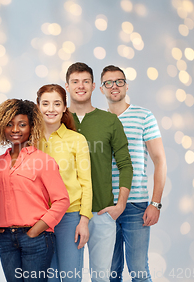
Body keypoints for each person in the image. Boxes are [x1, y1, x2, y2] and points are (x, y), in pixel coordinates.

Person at [65, 62, 133, 282]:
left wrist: (120, 205)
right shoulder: (57, 120)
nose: (81, 86)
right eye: (75, 81)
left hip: (102, 212)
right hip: (67, 213)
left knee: (102, 278)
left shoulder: (109, 121)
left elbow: (125, 164)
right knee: (67, 277)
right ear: (67, 86)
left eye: (85, 81)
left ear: (94, 86)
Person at [0, 99, 70, 282]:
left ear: (31, 127)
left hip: (36, 239)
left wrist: (36, 230)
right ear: (2, 127)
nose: (15, 129)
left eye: (22, 124)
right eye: (9, 124)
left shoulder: (43, 160)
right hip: (5, 239)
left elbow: (62, 200)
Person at [99, 65, 167, 282]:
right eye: (108, 83)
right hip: (105, 206)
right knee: (110, 272)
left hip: (136, 205)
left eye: (119, 81)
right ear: (101, 89)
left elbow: (160, 161)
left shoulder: (143, 116)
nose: (114, 86)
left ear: (126, 85)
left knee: (138, 270)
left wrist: (155, 204)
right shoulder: (97, 120)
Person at [35, 84, 92, 282]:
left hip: (70, 218)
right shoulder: (30, 141)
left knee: (70, 277)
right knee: (48, 278)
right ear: (38, 106)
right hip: (40, 219)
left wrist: (83, 221)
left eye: (57, 103)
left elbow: (86, 183)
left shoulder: (77, 140)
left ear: (65, 107)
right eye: (46, 103)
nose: (51, 109)